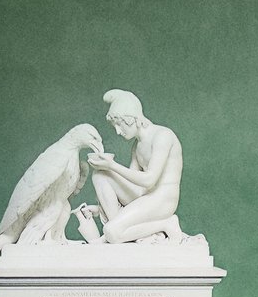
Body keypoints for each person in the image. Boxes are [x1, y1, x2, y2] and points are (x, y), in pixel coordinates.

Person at [76, 89, 186, 244]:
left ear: (131, 119)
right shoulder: (137, 145)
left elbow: (149, 180)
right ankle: (117, 227)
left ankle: (166, 224)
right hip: (145, 196)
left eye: (119, 125)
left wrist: (112, 166)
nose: (118, 131)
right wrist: (100, 208)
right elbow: (132, 182)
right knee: (100, 174)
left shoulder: (163, 136)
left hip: (162, 199)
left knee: (111, 232)